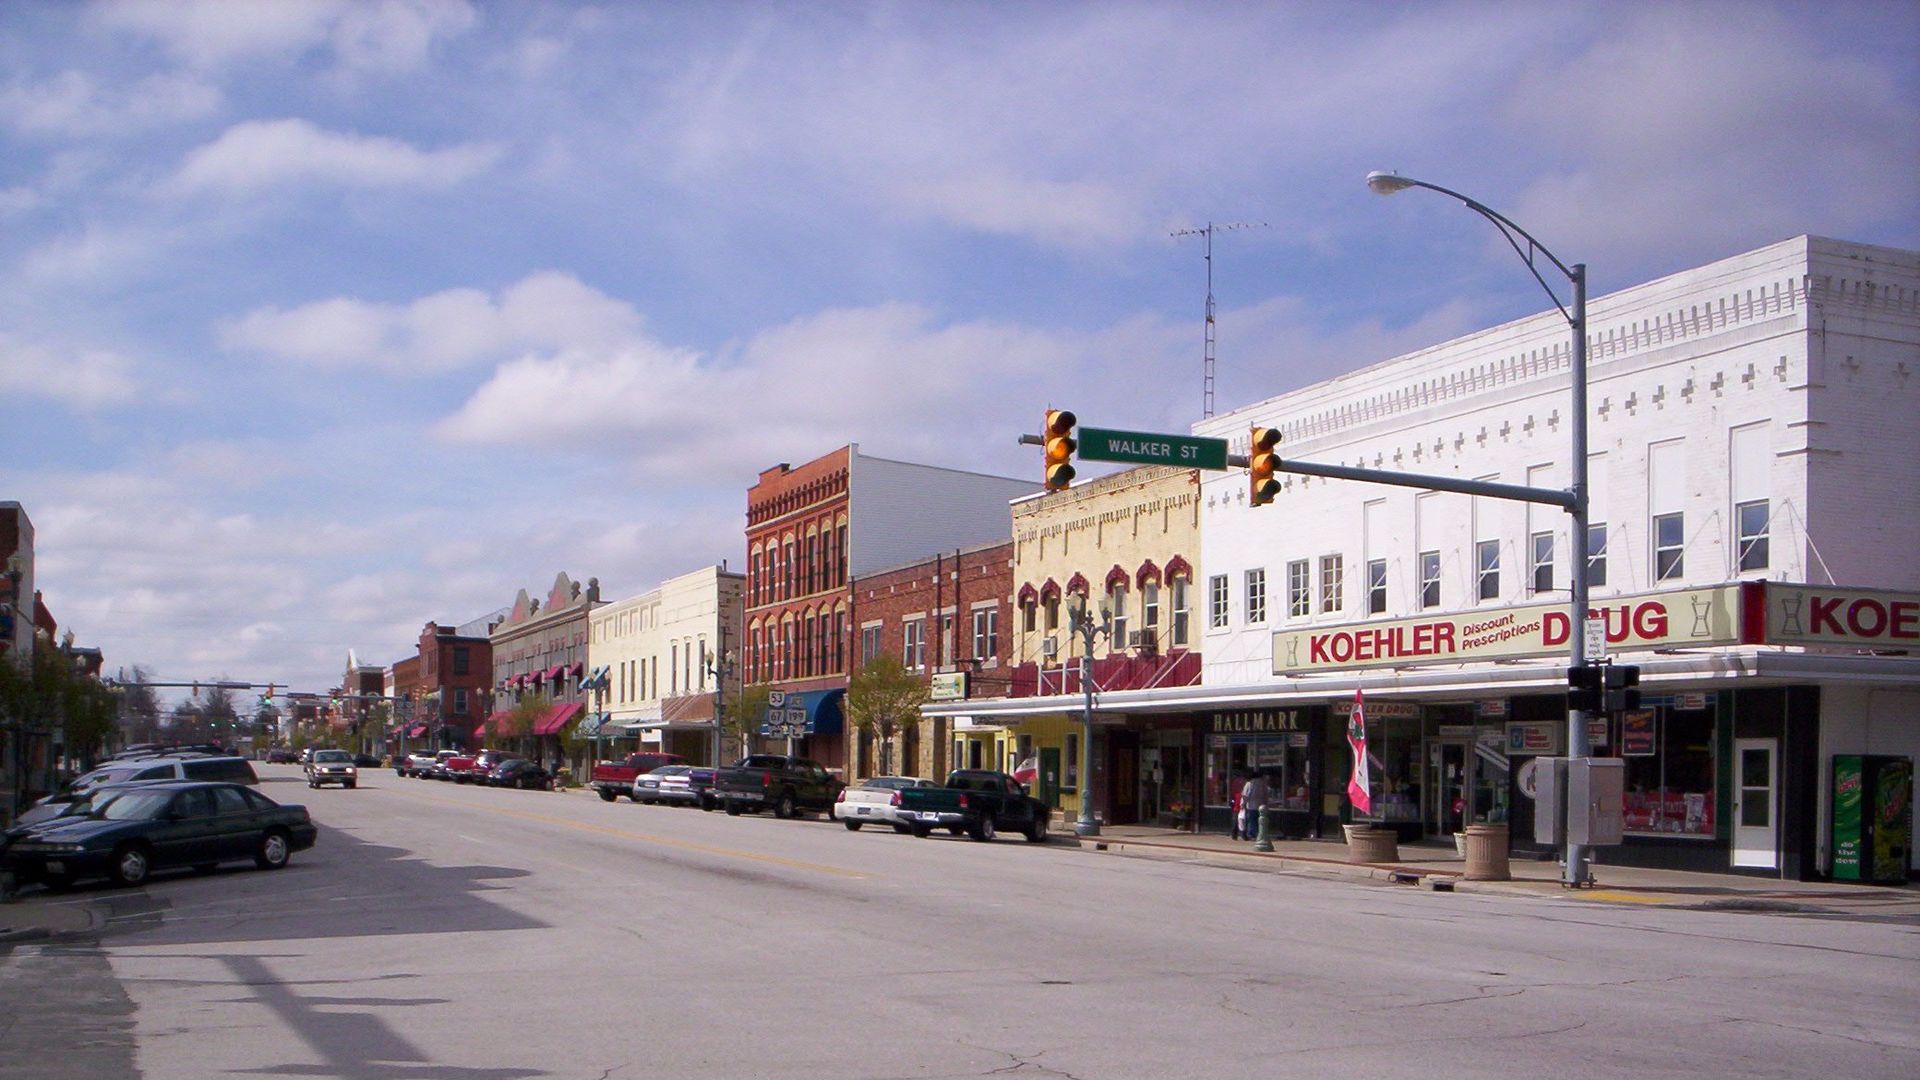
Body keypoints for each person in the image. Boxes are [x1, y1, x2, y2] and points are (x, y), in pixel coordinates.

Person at [1240, 771, 1270, 841]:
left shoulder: (1249, 784)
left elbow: (1245, 795)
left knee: (1251, 820)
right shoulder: (1263, 784)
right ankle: (1260, 834)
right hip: (1262, 806)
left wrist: (1243, 803)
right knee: (1260, 821)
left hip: (1251, 806)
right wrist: (1266, 804)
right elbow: (1266, 795)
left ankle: (1252, 834)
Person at [1230, 774, 1244, 840]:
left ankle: (1240, 834)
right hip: (1237, 808)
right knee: (1237, 821)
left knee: (1239, 821)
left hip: (1240, 807)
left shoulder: (1240, 794)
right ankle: (1235, 834)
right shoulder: (1237, 794)